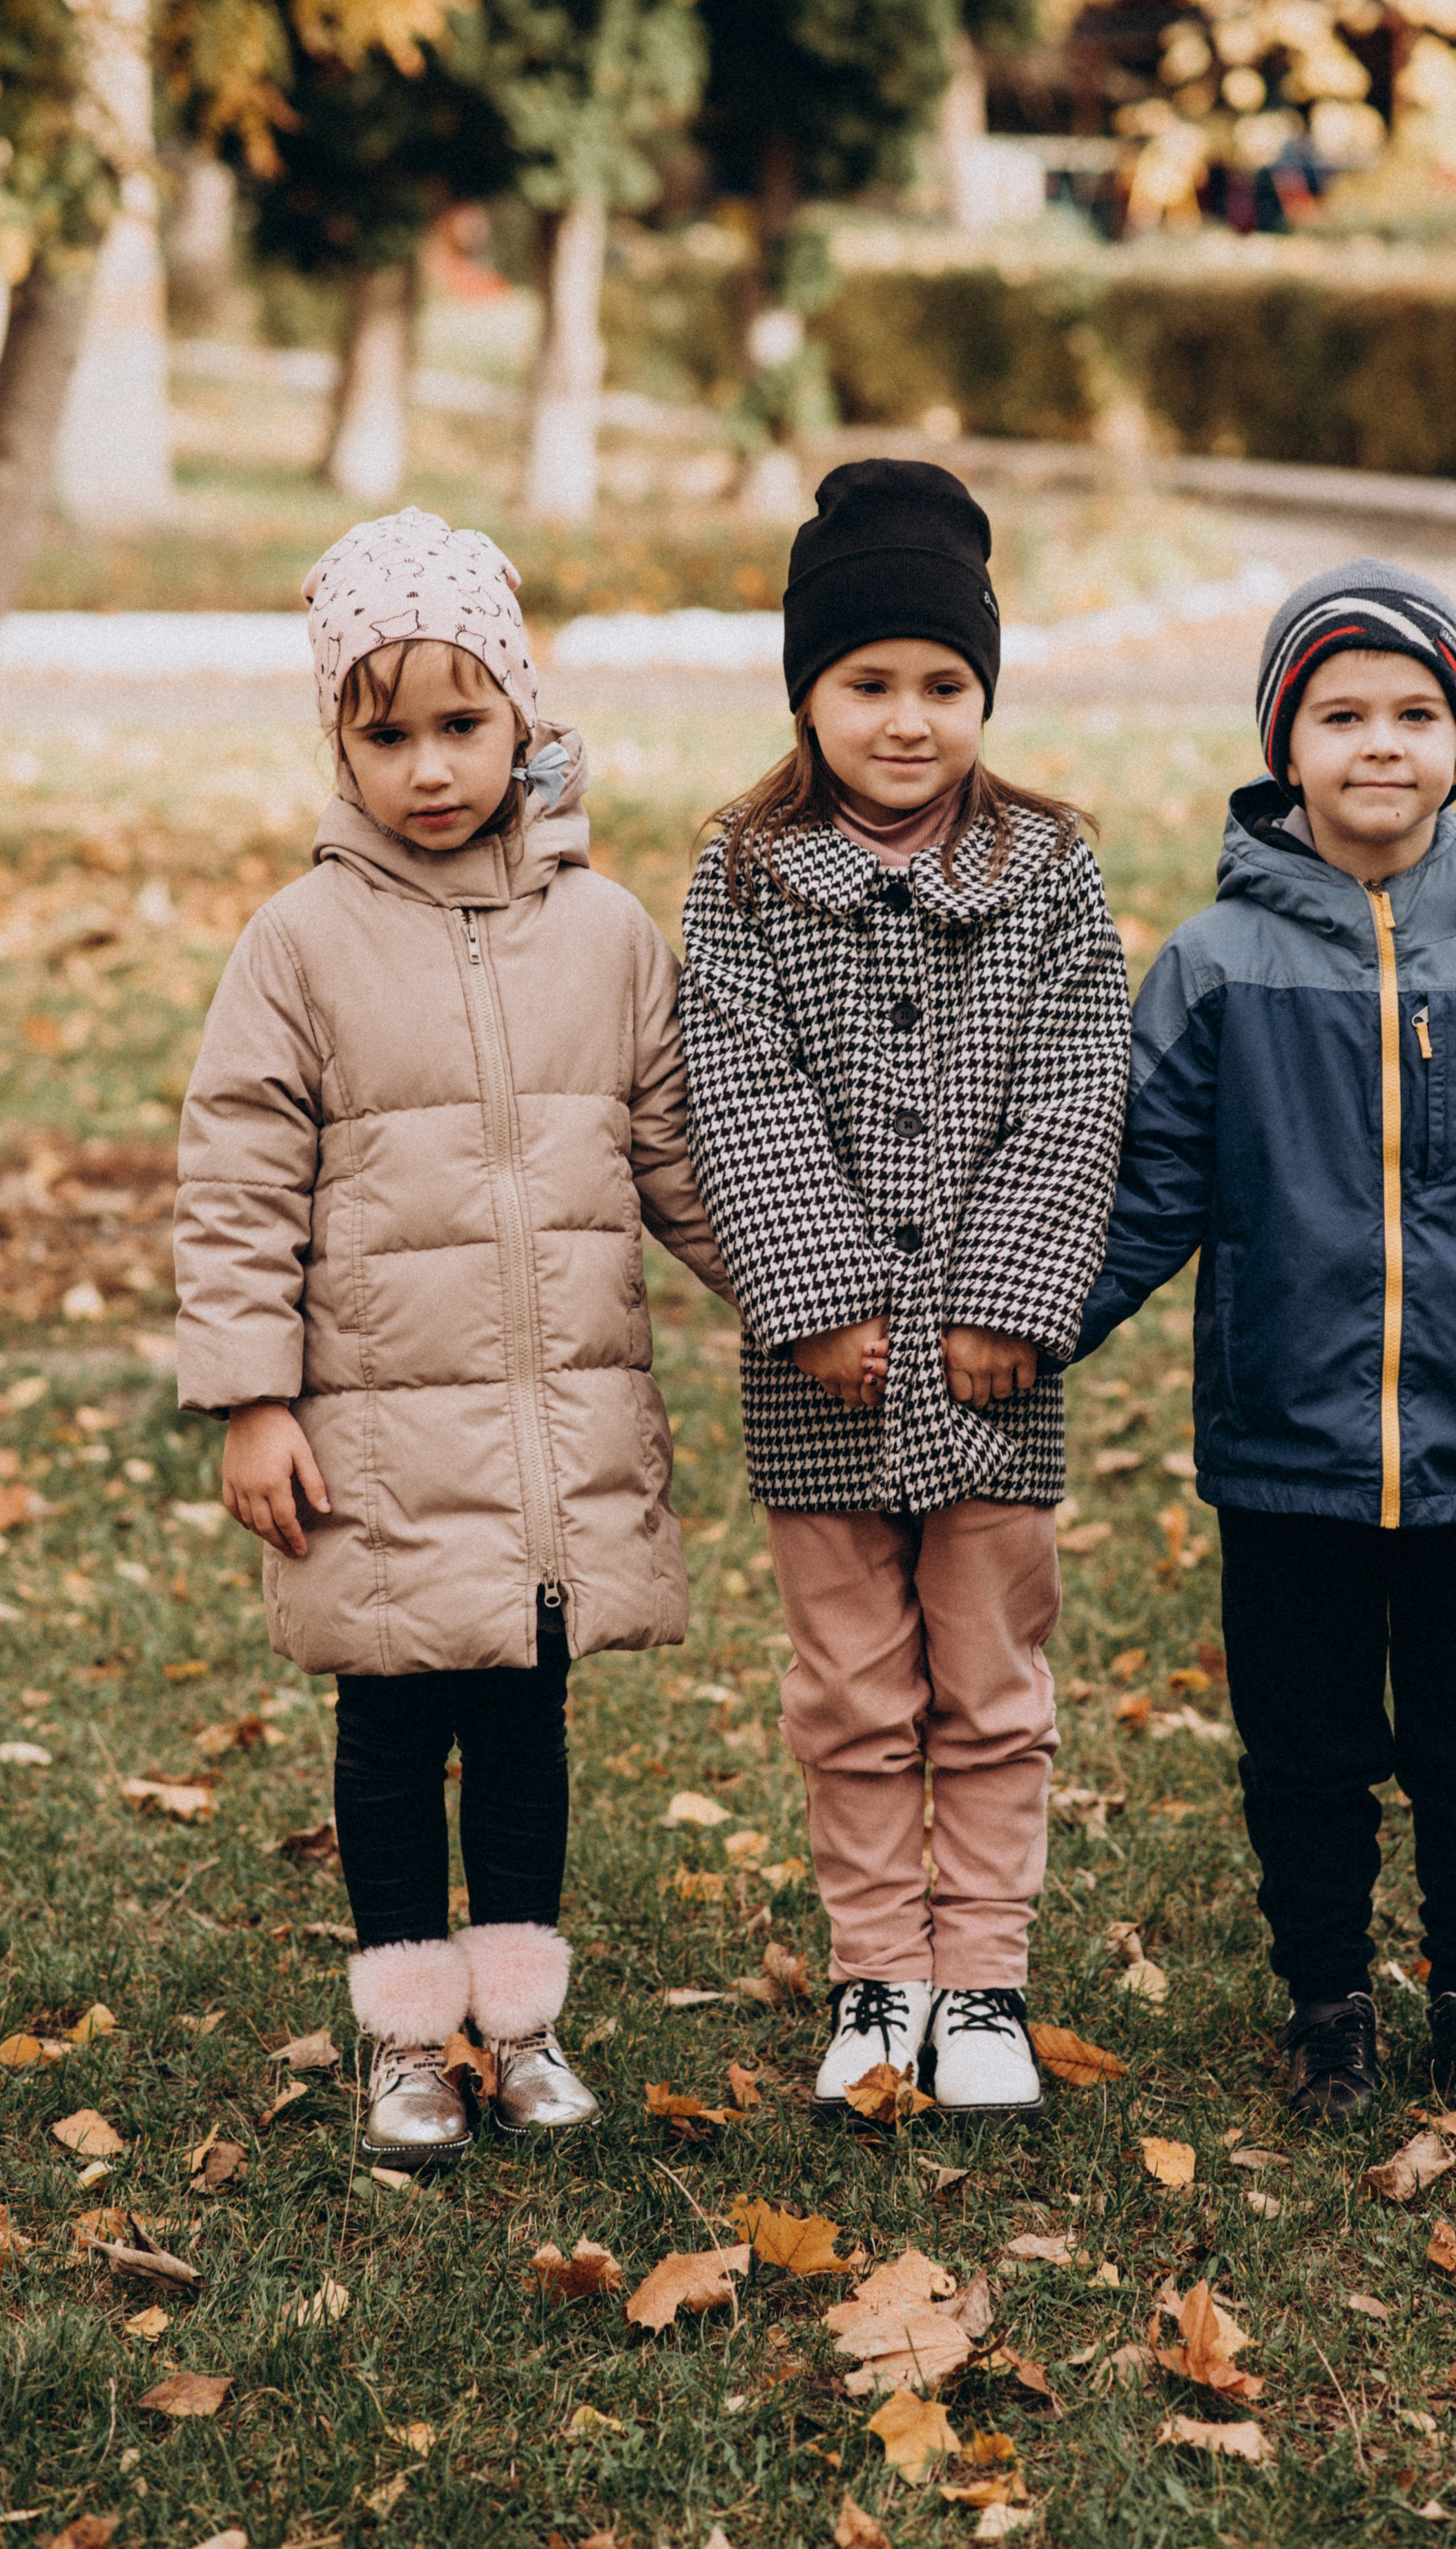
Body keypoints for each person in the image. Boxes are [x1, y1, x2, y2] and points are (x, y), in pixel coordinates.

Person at [1074, 559, 1456, 2121]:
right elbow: (1145, 1190)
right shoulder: (1213, 964)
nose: (1379, 744)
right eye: (1339, 714)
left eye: (1415, 714)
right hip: (1288, 1447)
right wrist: (1029, 1327)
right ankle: (1326, 2001)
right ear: (1283, 744)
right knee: (1304, 1749)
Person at [174, 508, 735, 2169]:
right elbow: (236, 1175)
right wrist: (252, 1395)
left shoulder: (608, 934)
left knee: (522, 1735)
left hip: (550, 1442)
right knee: (389, 1737)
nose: (429, 767)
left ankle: (523, 2018)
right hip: (374, 1437)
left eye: (462, 724)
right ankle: (411, 2040)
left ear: (519, 715)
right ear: (338, 743)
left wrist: (797, 1295)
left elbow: (678, 1157)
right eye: (386, 735)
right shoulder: (299, 943)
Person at [680, 461, 1131, 2118]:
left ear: (983, 694)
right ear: (806, 690)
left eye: (944, 684)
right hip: (824, 1372)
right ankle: (878, 1970)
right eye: (867, 681)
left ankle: (984, 1977)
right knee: (855, 1688)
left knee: (989, 1683)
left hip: (994, 1368)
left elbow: (1077, 1087)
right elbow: (736, 1089)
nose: (906, 718)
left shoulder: (1047, 869)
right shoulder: (742, 876)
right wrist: (814, 1302)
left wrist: (1008, 1298)